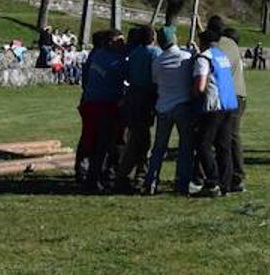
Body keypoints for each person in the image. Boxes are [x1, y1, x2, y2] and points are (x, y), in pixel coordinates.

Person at [143, 25, 195, 196]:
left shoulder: (157, 61)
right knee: (185, 147)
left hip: (163, 106)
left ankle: (151, 181)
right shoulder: (186, 57)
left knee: (159, 147)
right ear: (174, 38)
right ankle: (182, 183)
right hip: (182, 105)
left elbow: (155, 81)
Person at [192, 27, 240, 197]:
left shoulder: (204, 58)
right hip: (230, 103)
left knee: (203, 144)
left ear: (203, 42)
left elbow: (200, 86)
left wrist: (193, 95)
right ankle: (225, 184)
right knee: (223, 146)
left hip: (214, 105)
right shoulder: (221, 56)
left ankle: (212, 181)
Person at [77, 29, 127, 193]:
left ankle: (86, 174)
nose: (122, 44)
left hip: (91, 101)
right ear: (111, 42)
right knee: (103, 145)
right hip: (106, 104)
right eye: (119, 41)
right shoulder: (117, 61)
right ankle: (95, 180)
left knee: (90, 140)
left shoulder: (96, 54)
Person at [114, 25, 160, 193]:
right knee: (141, 140)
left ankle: (137, 173)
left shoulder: (134, 54)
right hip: (146, 97)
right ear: (152, 38)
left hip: (132, 96)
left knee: (138, 136)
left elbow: (127, 75)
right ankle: (132, 175)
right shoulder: (154, 54)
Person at [208, 17, 248, 193]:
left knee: (228, 137)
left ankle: (236, 176)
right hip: (239, 95)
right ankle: (232, 175)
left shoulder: (221, 45)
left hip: (230, 95)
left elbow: (211, 61)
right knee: (228, 137)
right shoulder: (232, 45)